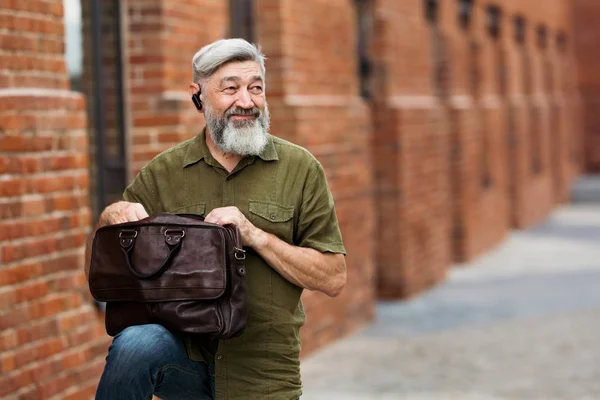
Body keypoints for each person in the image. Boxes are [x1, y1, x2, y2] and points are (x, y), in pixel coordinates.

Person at [85, 38, 347, 400]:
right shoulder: (164, 172)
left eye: (256, 88)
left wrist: (257, 236)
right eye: (230, 88)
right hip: (185, 360)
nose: (246, 101)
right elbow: (101, 263)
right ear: (198, 95)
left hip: (263, 376)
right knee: (136, 343)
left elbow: (334, 276)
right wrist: (110, 216)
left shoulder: (301, 169)